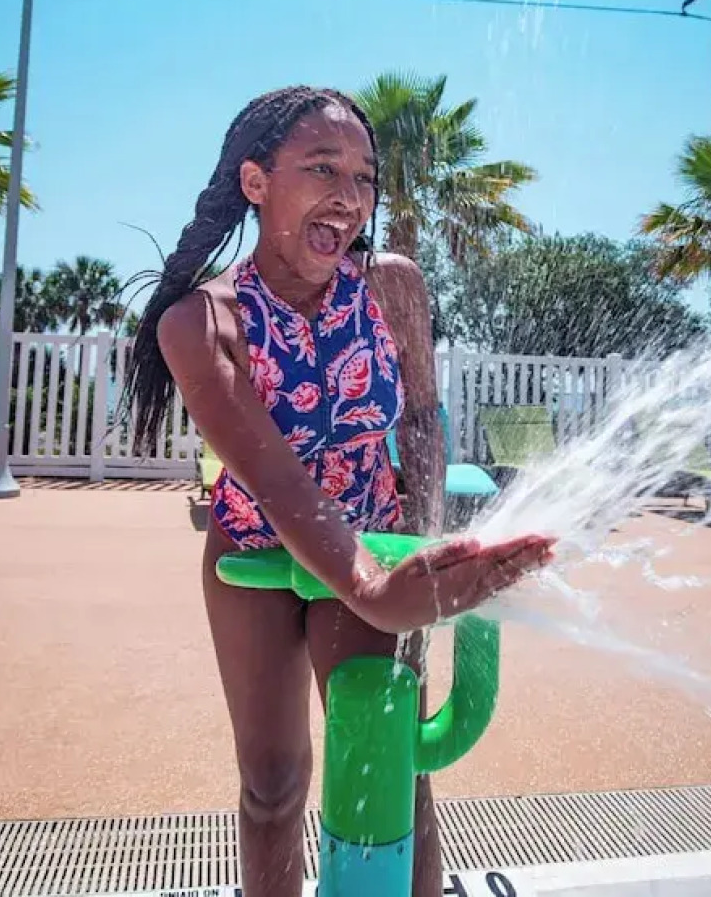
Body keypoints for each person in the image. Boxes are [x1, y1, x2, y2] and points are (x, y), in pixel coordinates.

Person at [122, 85, 556, 897]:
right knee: (273, 787)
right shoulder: (200, 323)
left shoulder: (390, 287)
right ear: (256, 182)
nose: (349, 197)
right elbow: (274, 479)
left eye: (362, 177)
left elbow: (422, 421)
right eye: (322, 169)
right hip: (254, 550)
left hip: (379, 535)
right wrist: (367, 584)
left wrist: (416, 551)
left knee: (393, 770)